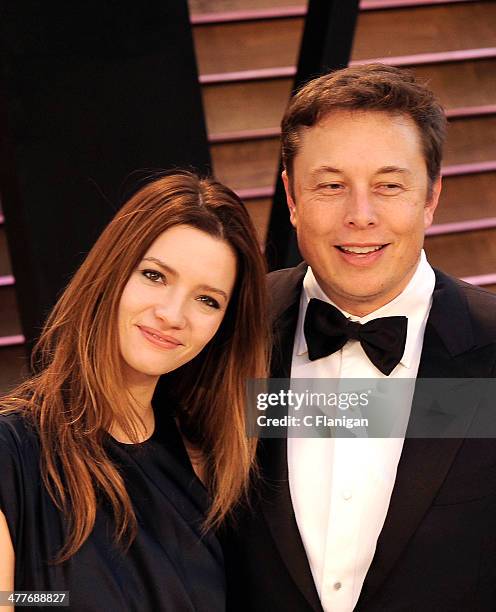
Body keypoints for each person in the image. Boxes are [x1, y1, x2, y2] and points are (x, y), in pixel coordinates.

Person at [223, 64, 496, 611]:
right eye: (330, 186)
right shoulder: (227, 332)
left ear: (431, 196)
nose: (360, 215)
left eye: (389, 186)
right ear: (291, 197)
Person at [0, 170, 269, 611]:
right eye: (155, 275)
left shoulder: (207, 458)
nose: (172, 314)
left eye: (208, 300)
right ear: (113, 271)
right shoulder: (12, 457)